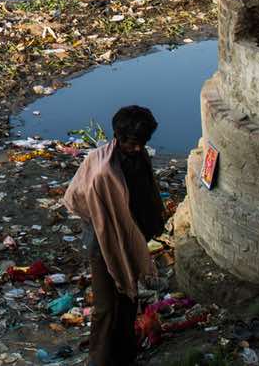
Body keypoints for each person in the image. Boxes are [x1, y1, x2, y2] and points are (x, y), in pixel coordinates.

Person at [63, 105, 167, 365]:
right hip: (104, 245)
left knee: (128, 297)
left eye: (143, 143)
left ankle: (125, 354)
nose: (139, 148)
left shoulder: (138, 156)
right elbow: (75, 198)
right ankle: (100, 360)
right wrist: (104, 221)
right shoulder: (102, 170)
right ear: (118, 138)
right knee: (106, 308)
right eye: (133, 143)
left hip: (131, 238)